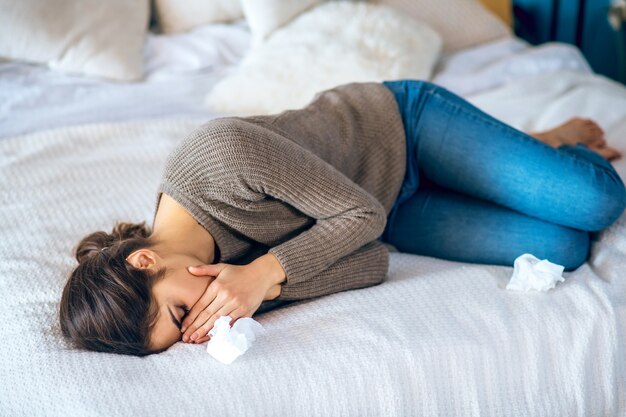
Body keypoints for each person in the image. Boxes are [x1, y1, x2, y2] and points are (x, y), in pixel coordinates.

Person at [59, 80, 626, 357]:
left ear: (144, 259)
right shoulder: (222, 282)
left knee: (596, 202)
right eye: (182, 336)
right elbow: (373, 259)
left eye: (179, 312)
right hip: (389, 214)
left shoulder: (218, 156)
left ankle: (554, 143)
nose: (201, 324)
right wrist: (262, 283)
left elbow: (357, 215)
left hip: (402, 129)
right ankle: (507, 162)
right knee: (563, 248)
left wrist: (264, 272)